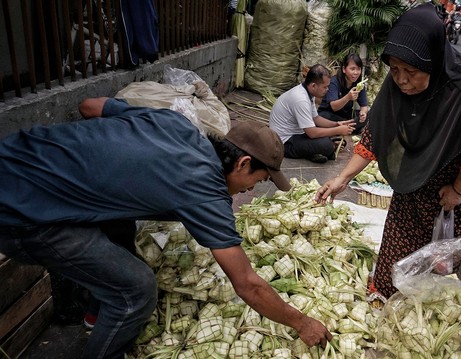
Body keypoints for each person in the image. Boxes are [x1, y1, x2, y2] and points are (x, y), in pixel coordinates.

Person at [0, 97, 332, 358]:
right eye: (259, 180)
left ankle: (95, 312)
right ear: (243, 163)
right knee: (137, 290)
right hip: (22, 216)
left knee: (121, 214)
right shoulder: (205, 191)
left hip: (14, 154)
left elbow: (89, 106)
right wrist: (301, 322)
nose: (251, 190)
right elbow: (246, 283)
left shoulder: (176, 124)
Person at [315, 4, 461, 300]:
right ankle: (389, 294)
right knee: (404, 222)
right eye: (396, 70)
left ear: (433, 61)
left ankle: (440, 302)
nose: (402, 80)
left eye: (412, 72)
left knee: (450, 240)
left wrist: (458, 189)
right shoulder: (398, 85)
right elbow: (376, 136)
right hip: (420, 162)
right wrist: (342, 178)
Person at [269, 64, 356, 164]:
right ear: (314, 86)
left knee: (327, 138)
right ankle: (314, 152)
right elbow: (312, 133)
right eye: (325, 87)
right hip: (283, 143)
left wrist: (336, 124)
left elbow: (316, 118)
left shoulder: (309, 93)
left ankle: (313, 152)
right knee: (326, 145)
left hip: (297, 135)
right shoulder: (300, 99)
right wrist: (337, 130)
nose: (327, 90)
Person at [317, 54, 370, 134]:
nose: (356, 72)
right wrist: (348, 97)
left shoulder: (359, 84)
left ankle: (346, 128)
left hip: (345, 116)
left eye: (358, 69)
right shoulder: (334, 82)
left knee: (368, 115)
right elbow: (334, 107)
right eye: (352, 69)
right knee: (324, 116)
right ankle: (348, 128)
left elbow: (364, 106)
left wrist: (363, 113)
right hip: (331, 115)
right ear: (344, 69)